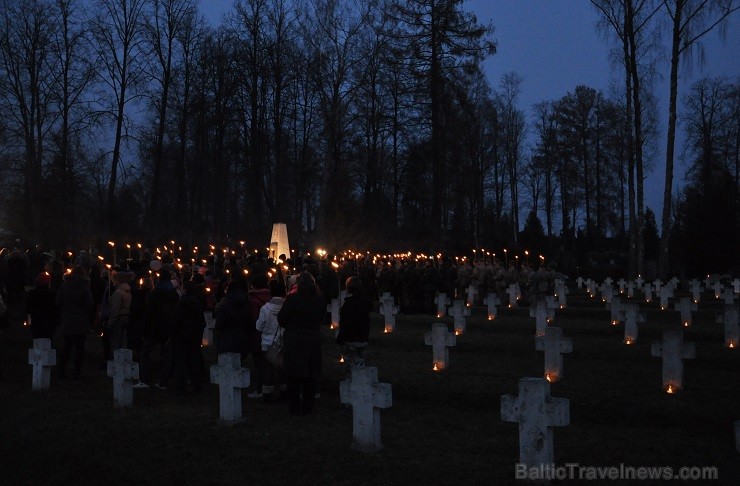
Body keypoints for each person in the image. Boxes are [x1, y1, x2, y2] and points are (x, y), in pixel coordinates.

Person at [277, 272, 326, 416]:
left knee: (294, 376)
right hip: (311, 339)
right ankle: (307, 407)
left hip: (295, 339)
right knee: (309, 375)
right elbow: (321, 317)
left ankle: (295, 407)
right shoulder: (319, 299)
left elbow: (281, 319)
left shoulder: (292, 299)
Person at [135, 270, 179, 389]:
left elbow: (149, 313)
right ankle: (162, 381)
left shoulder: (155, 294)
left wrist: (144, 329)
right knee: (167, 355)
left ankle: (144, 378)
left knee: (144, 352)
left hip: (154, 328)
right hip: (168, 328)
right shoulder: (174, 294)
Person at [55, 265, 94, 379]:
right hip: (81, 320)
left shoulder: (64, 286)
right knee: (79, 348)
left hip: (67, 319)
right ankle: (77, 371)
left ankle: (61, 370)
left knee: (67, 346)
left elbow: (58, 302)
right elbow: (90, 304)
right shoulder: (85, 287)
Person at [170, 275, 206, 395]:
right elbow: (202, 321)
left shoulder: (181, 304)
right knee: (194, 361)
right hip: (194, 337)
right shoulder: (197, 303)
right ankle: (197, 385)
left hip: (182, 337)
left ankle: (180, 387)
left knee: (181, 362)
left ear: (184, 290)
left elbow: (176, 320)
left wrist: (174, 332)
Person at [256, 279, 286, 402]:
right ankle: (285, 392)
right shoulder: (287, 306)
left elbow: (259, 326)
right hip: (283, 341)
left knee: (268, 369)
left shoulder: (265, 308)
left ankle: (267, 394)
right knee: (283, 368)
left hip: (268, 343)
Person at [336, 276, 371, 374]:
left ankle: (353, 380)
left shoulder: (349, 304)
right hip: (362, 338)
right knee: (360, 362)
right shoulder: (363, 302)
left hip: (351, 339)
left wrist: (340, 339)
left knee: (351, 365)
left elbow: (346, 324)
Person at [246, 274, 271, 398]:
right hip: (270, 333)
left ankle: (260, 389)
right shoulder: (270, 297)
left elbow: (253, 320)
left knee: (259, 364)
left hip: (258, 335)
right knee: (268, 363)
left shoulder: (253, 301)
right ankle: (269, 386)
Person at [25, 272, 58, 340]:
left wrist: (29, 321)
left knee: (37, 338)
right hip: (49, 321)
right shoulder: (52, 294)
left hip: (36, 320)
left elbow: (28, 308)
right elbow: (56, 308)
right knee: (48, 339)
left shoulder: (33, 293)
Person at [108, 271, 132, 350]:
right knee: (124, 341)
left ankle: (116, 359)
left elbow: (115, 309)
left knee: (116, 341)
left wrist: (110, 323)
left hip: (118, 319)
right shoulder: (128, 291)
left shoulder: (118, 293)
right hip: (126, 318)